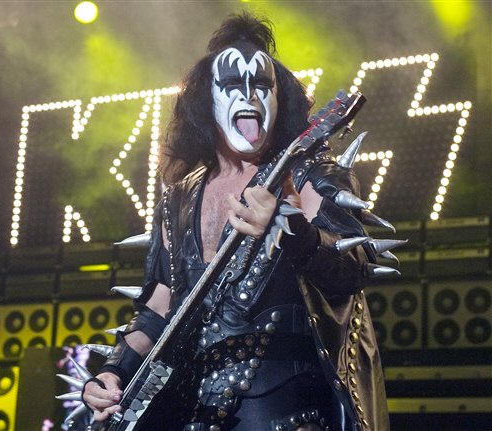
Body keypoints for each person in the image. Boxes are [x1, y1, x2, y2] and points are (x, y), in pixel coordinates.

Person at [79, 13, 398, 431]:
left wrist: (291, 229)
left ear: (280, 98)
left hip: (287, 407)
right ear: (205, 101)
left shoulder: (309, 175)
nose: (249, 95)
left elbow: (352, 268)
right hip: (190, 407)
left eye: (262, 85)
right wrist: (113, 372)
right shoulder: (178, 199)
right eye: (232, 85)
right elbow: (158, 308)